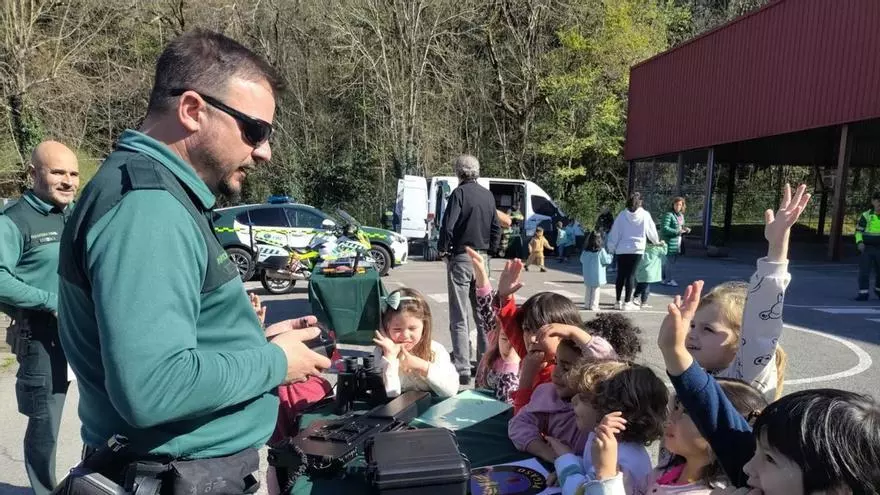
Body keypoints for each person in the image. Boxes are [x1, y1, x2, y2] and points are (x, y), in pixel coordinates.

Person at [56, 30, 331, 491]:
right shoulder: (148, 208)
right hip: (173, 477)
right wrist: (273, 362)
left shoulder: (155, 193)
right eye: (255, 130)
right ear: (192, 110)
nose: (263, 151)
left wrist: (248, 341)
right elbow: (153, 386)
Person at [659, 281, 880, 493]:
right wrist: (674, 351)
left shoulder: (756, 480)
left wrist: (776, 254)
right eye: (758, 451)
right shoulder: (761, 478)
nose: (747, 467)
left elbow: (761, 332)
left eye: (770, 459)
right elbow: (713, 413)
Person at [0, 141, 79, 495]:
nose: (68, 181)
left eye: (73, 173)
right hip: (41, 337)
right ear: (33, 173)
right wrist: (50, 301)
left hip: (84, 333)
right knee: (45, 422)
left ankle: (92, 483)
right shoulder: (14, 220)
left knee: (101, 415)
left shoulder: (73, 214)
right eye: (57, 172)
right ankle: (44, 490)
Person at [687, 183, 810, 399]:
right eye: (693, 325)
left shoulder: (745, 376)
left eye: (708, 329)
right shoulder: (702, 372)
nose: (693, 334)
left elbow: (761, 324)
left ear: (740, 340)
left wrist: (777, 247)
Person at [581, 378, 767, 495]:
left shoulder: (709, 492)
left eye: (685, 412)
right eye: (675, 408)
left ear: (720, 431)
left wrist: (606, 474)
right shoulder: (669, 470)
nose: (670, 418)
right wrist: (612, 467)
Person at [549, 360, 669, 495]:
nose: (573, 400)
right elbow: (590, 470)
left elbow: (581, 492)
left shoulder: (623, 461)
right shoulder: (601, 439)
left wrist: (566, 460)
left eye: (583, 397)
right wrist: (569, 470)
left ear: (611, 410)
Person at [438, 154, 501, 385]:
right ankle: (484, 365)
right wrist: (490, 251)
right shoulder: (487, 195)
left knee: (459, 314)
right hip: (482, 259)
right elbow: (496, 227)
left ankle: (463, 367)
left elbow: (448, 225)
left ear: (458, 173)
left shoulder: (459, 194)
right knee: (483, 314)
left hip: (462, 256)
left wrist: (443, 250)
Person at [372, 288, 459, 398]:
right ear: (386, 328)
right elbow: (392, 395)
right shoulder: (382, 353)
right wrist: (391, 358)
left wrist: (423, 366)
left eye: (412, 328)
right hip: (398, 412)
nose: (405, 335)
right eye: (397, 329)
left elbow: (451, 391)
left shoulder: (436, 350)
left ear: (424, 326)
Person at [469, 248, 521, 403]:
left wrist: (510, 366)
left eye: (515, 344)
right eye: (505, 339)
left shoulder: (513, 372)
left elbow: (504, 408)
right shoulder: (495, 340)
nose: (509, 347)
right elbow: (486, 306)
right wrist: (480, 271)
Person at [607, 193, 660, 311]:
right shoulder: (645, 215)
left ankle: (617, 301)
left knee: (620, 275)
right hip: (637, 248)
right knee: (631, 275)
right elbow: (651, 230)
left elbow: (615, 232)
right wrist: (656, 241)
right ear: (640, 202)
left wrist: (611, 247)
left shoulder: (622, 215)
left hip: (622, 248)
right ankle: (627, 302)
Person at [854, 191, 880, 300]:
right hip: (867, 248)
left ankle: (878, 290)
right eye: (878, 201)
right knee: (864, 272)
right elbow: (858, 232)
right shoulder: (866, 215)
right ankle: (863, 293)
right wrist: (859, 242)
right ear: (873, 202)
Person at [660, 197, 690, 287]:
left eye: (680, 205)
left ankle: (664, 278)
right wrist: (677, 231)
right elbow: (664, 228)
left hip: (677, 242)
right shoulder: (669, 214)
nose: (678, 206)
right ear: (673, 205)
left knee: (671, 262)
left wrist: (685, 229)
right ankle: (668, 280)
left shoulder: (680, 215)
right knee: (669, 261)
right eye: (676, 204)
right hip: (669, 241)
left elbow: (681, 226)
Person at [580, 230, 613, 311]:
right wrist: (611, 255)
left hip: (588, 274)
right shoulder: (600, 251)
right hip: (597, 274)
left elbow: (581, 260)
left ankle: (587, 304)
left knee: (588, 289)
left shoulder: (585, 251)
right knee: (596, 290)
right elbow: (606, 260)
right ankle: (594, 305)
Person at [633, 240, 667, 308]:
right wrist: (664, 244)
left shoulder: (642, 248)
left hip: (641, 269)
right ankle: (641, 300)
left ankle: (637, 298)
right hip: (650, 271)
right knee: (645, 287)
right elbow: (665, 252)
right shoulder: (657, 249)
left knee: (641, 284)